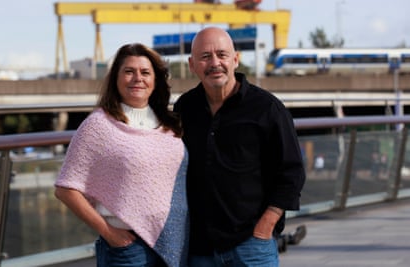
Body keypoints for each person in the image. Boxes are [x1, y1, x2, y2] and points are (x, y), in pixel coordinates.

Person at [173, 27, 306, 266]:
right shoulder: (185, 108)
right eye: (205, 57)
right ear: (192, 65)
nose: (215, 63)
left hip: (251, 245)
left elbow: (292, 173)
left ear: (235, 60)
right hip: (199, 248)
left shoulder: (268, 109)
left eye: (222, 55)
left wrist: (265, 227)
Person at [54, 43, 189, 267]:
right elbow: (66, 189)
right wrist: (109, 233)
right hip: (128, 247)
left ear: (155, 80)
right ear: (115, 79)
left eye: (145, 72)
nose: (138, 78)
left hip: (175, 239)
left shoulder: (169, 123)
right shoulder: (98, 126)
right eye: (129, 72)